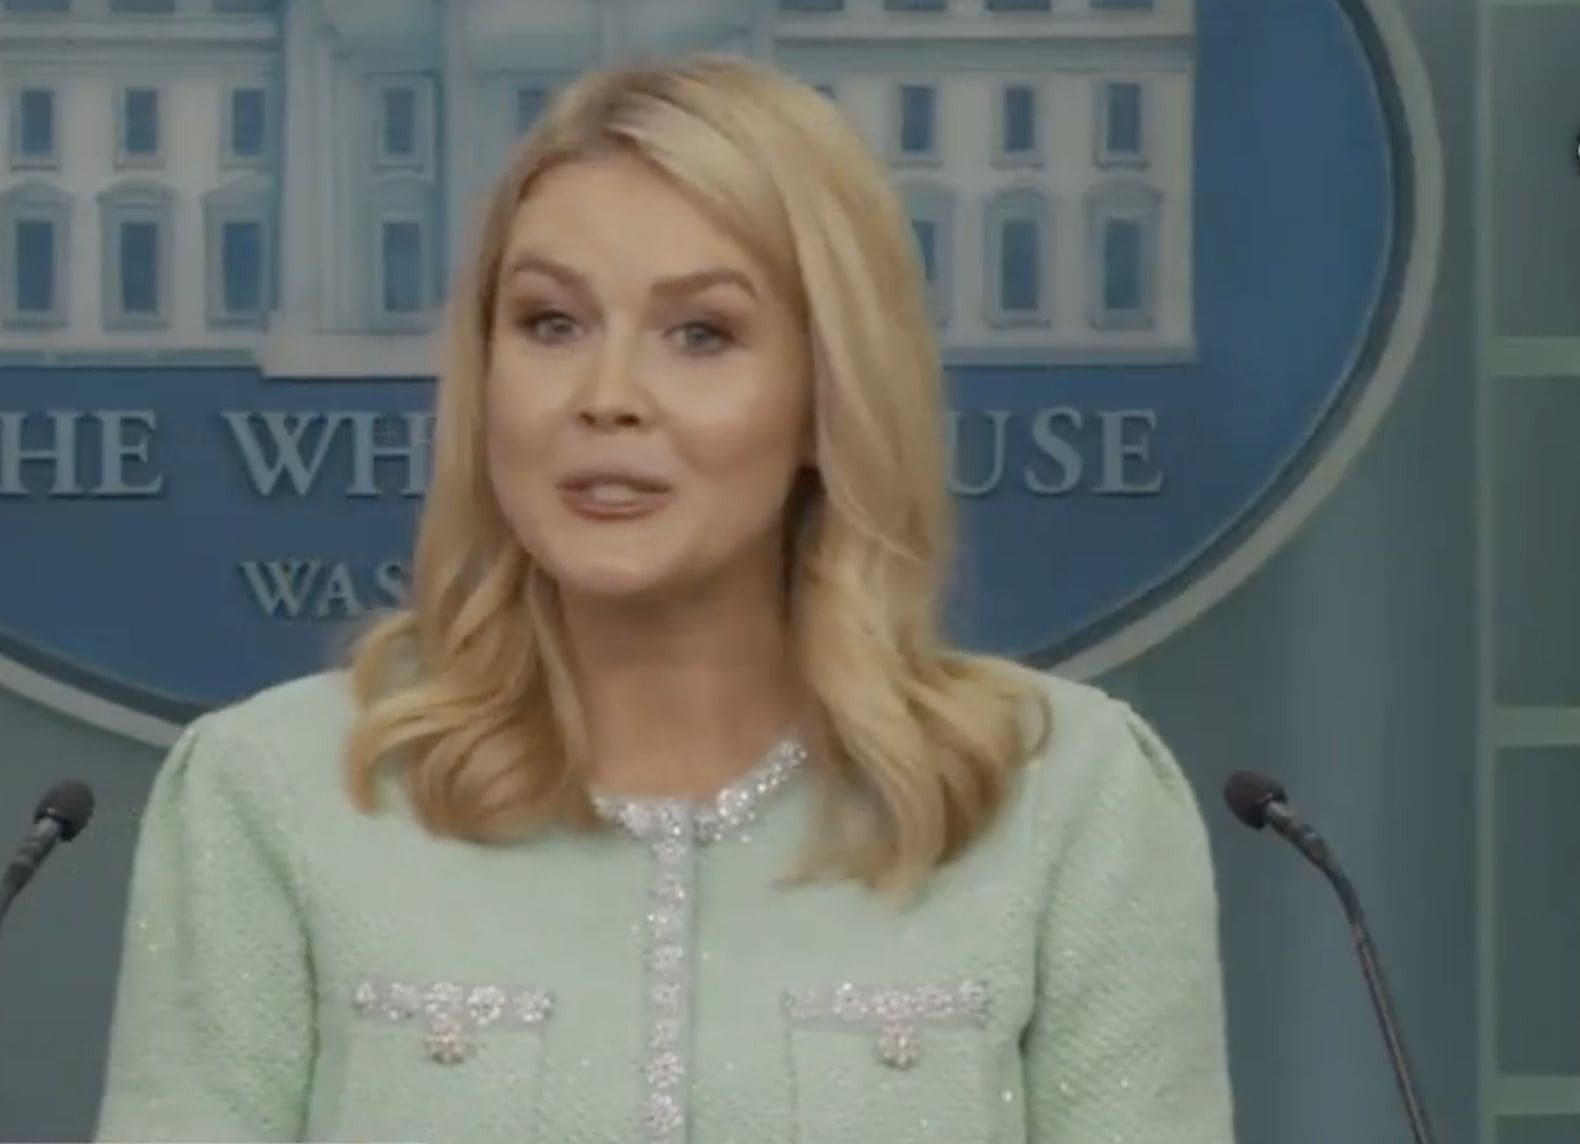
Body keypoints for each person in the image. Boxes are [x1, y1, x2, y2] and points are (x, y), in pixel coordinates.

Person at [94, 52, 1235, 1144]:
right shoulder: (274, 795)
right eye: (550, 323)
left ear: (826, 393)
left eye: (701, 334)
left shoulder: (1064, 800)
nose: (607, 396)